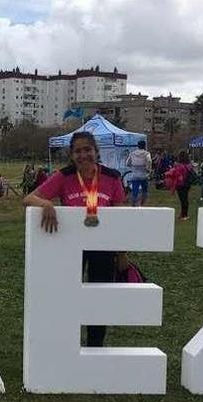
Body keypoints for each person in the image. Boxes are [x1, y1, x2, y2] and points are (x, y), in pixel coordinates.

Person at [23, 131, 127, 348]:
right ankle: (67, 342)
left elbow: (120, 220)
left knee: (99, 298)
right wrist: (46, 204)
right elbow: (28, 198)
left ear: (96, 151)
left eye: (87, 149)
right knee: (67, 296)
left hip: (103, 248)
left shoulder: (112, 177)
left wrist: (122, 254)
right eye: (77, 151)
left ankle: (94, 344)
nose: (83, 155)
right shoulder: (64, 176)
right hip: (71, 248)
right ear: (71, 155)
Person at [166, 151, 194, 221]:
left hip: (180, 184)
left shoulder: (178, 166)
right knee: (185, 199)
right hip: (187, 184)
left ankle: (184, 214)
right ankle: (184, 214)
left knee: (183, 200)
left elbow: (176, 175)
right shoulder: (189, 166)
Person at [125, 140, 153, 206]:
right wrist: (149, 169)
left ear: (138, 146)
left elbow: (127, 163)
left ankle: (133, 204)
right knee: (144, 190)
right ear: (144, 146)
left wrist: (132, 166)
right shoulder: (147, 153)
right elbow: (149, 161)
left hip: (135, 174)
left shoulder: (132, 153)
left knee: (135, 190)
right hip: (144, 175)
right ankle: (142, 203)